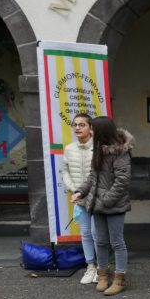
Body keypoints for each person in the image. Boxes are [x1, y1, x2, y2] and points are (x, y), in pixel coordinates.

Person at [71, 116, 133, 297]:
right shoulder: (98, 150)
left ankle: (120, 279)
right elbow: (92, 177)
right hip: (97, 205)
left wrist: (105, 200)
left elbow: (122, 182)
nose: (91, 133)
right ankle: (103, 275)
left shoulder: (121, 152)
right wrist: (80, 192)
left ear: (102, 132)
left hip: (113, 206)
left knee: (117, 242)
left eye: (93, 130)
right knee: (100, 241)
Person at [62, 113, 97, 285]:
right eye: (75, 125)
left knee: (98, 234)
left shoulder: (99, 148)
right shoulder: (69, 149)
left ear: (90, 128)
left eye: (82, 124)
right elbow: (65, 171)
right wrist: (73, 189)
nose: (77, 128)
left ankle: (102, 268)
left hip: (97, 200)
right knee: (86, 234)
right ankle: (90, 267)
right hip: (80, 199)